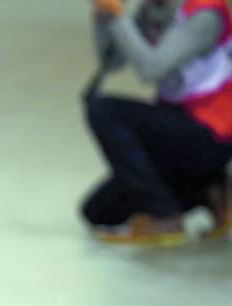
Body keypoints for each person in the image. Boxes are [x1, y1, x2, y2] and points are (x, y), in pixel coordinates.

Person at [82, 0, 232, 244]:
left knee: (103, 110)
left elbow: (151, 68)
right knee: (98, 212)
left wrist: (119, 18)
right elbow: (112, 61)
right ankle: (211, 190)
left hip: (211, 134)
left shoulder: (204, 12)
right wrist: (105, 18)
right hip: (179, 129)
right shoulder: (154, 8)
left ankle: (164, 216)